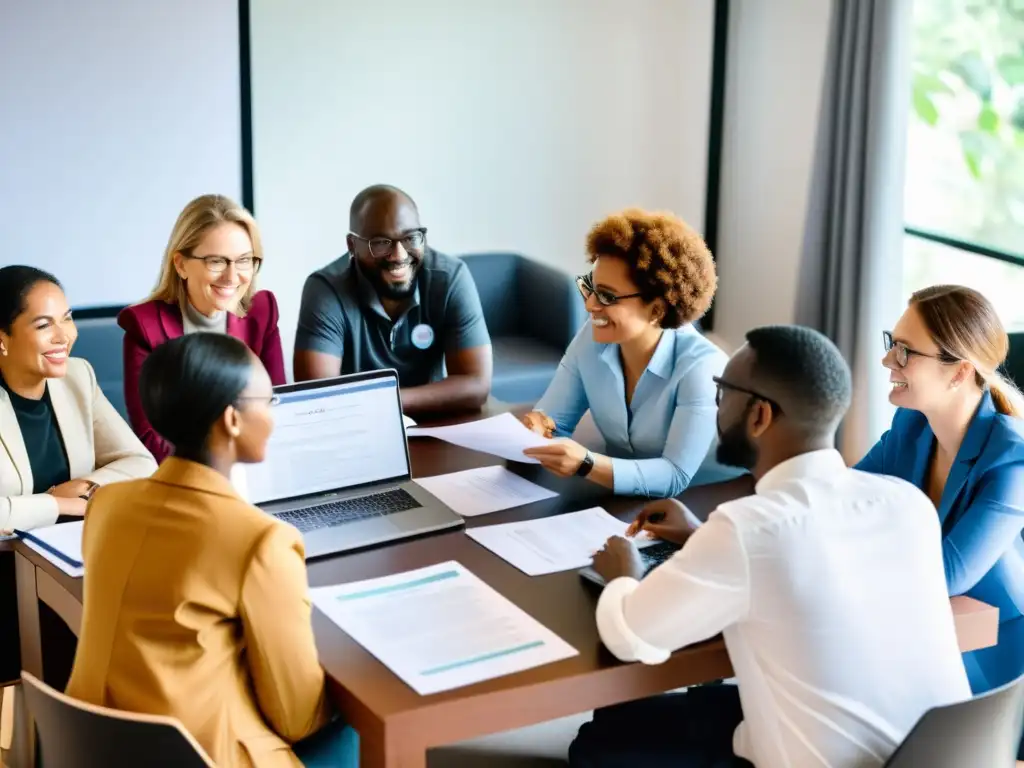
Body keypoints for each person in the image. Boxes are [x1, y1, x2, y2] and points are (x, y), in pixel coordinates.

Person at [570, 325, 970, 768]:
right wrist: (703, 538)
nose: (716, 405)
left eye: (722, 391)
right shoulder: (906, 503)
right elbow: (811, 564)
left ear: (759, 416)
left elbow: (632, 638)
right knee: (629, 718)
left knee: (597, 743)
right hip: (933, 755)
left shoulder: (747, 530)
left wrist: (625, 573)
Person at [65, 333, 357, 768]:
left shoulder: (107, 504)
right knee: (356, 723)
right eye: (270, 401)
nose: (276, 416)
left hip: (88, 744)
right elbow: (297, 717)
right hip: (201, 756)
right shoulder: (261, 541)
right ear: (232, 420)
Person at [855, 285, 1024, 759]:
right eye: (892, 341)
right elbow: (838, 500)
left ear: (959, 373)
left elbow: (949, 575)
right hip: (925, 636)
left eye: (905, 351)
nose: (889, 359)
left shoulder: (1012, 462)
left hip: (993, 660)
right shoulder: (911, 429)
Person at [520, 209, 733, 497]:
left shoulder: (703, 367)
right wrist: (538, 427)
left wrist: (586, 463)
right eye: (590, 288)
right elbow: (553, 423)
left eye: (607, 296)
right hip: (623, 499)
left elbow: (675, 475)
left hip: (710, 501)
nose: (590, 305)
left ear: (657, 309)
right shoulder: (592, 339)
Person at [294, 184, 492, 415]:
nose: (399, 255)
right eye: (380, 242)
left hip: (435, 427)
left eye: (410, 238)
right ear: (352, 245)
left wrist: (387, 401)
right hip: (359, 428)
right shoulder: (326, 290)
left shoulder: (450, 278)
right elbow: (319, 400)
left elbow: (476, 385)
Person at [118, 194, 286, 463]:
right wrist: (220, 473)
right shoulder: (144, 326)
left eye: (244, 260)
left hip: (255, 468)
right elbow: (150, 435)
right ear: (181, 264)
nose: (232, 277)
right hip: (184, 477)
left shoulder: (262, 311)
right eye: (216, 261)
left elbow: (277, 407)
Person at [0, 265, 156, 532]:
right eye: (44, 325)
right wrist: (57, 504)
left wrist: (87, 487)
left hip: (72, 548)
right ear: (3, 339)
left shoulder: (77, 376)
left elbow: (141, 463)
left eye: (67, 318)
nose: (64, 336)